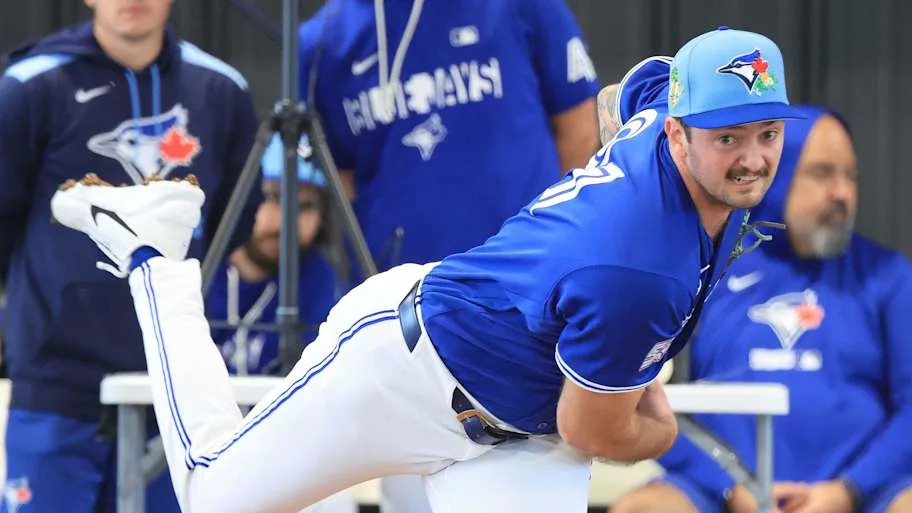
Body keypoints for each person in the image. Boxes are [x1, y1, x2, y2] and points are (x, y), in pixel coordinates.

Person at [49, 27, 804, 512]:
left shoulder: (657, 121)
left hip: (520, 435)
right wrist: (660, 431)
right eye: (727, 135)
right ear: (678, 132)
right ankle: (154, 254)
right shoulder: (643, 270)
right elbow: (595, 425)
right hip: (406, 370)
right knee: (214, 497)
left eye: (767, 132)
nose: (753, 157)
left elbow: (629, 91)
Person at [0, 0, 259, 511]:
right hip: (57, 382)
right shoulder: (30, 83)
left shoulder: (222, 89)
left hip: (173, 384)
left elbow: (236, 217)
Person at [610, 106, 912, 513]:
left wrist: (848, 491)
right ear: (780, 175)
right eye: (823, 173)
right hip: (721, 493)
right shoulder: (710, 268)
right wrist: (730, 488)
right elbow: (642, 397)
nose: (842, 193)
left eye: (850, 175)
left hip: (865, 494)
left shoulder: (887, 276)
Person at [297, 0, 601, 272]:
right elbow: (342, 178)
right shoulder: (322, 42)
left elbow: (581, 130)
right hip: (400, 297)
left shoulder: (519, 6)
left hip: (526, 271)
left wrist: (547, 240)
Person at [207, 135, 350, 377]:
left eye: (305, 206)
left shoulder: (321, 284)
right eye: (273, 197)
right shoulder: (197, 271)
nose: (287, 220)